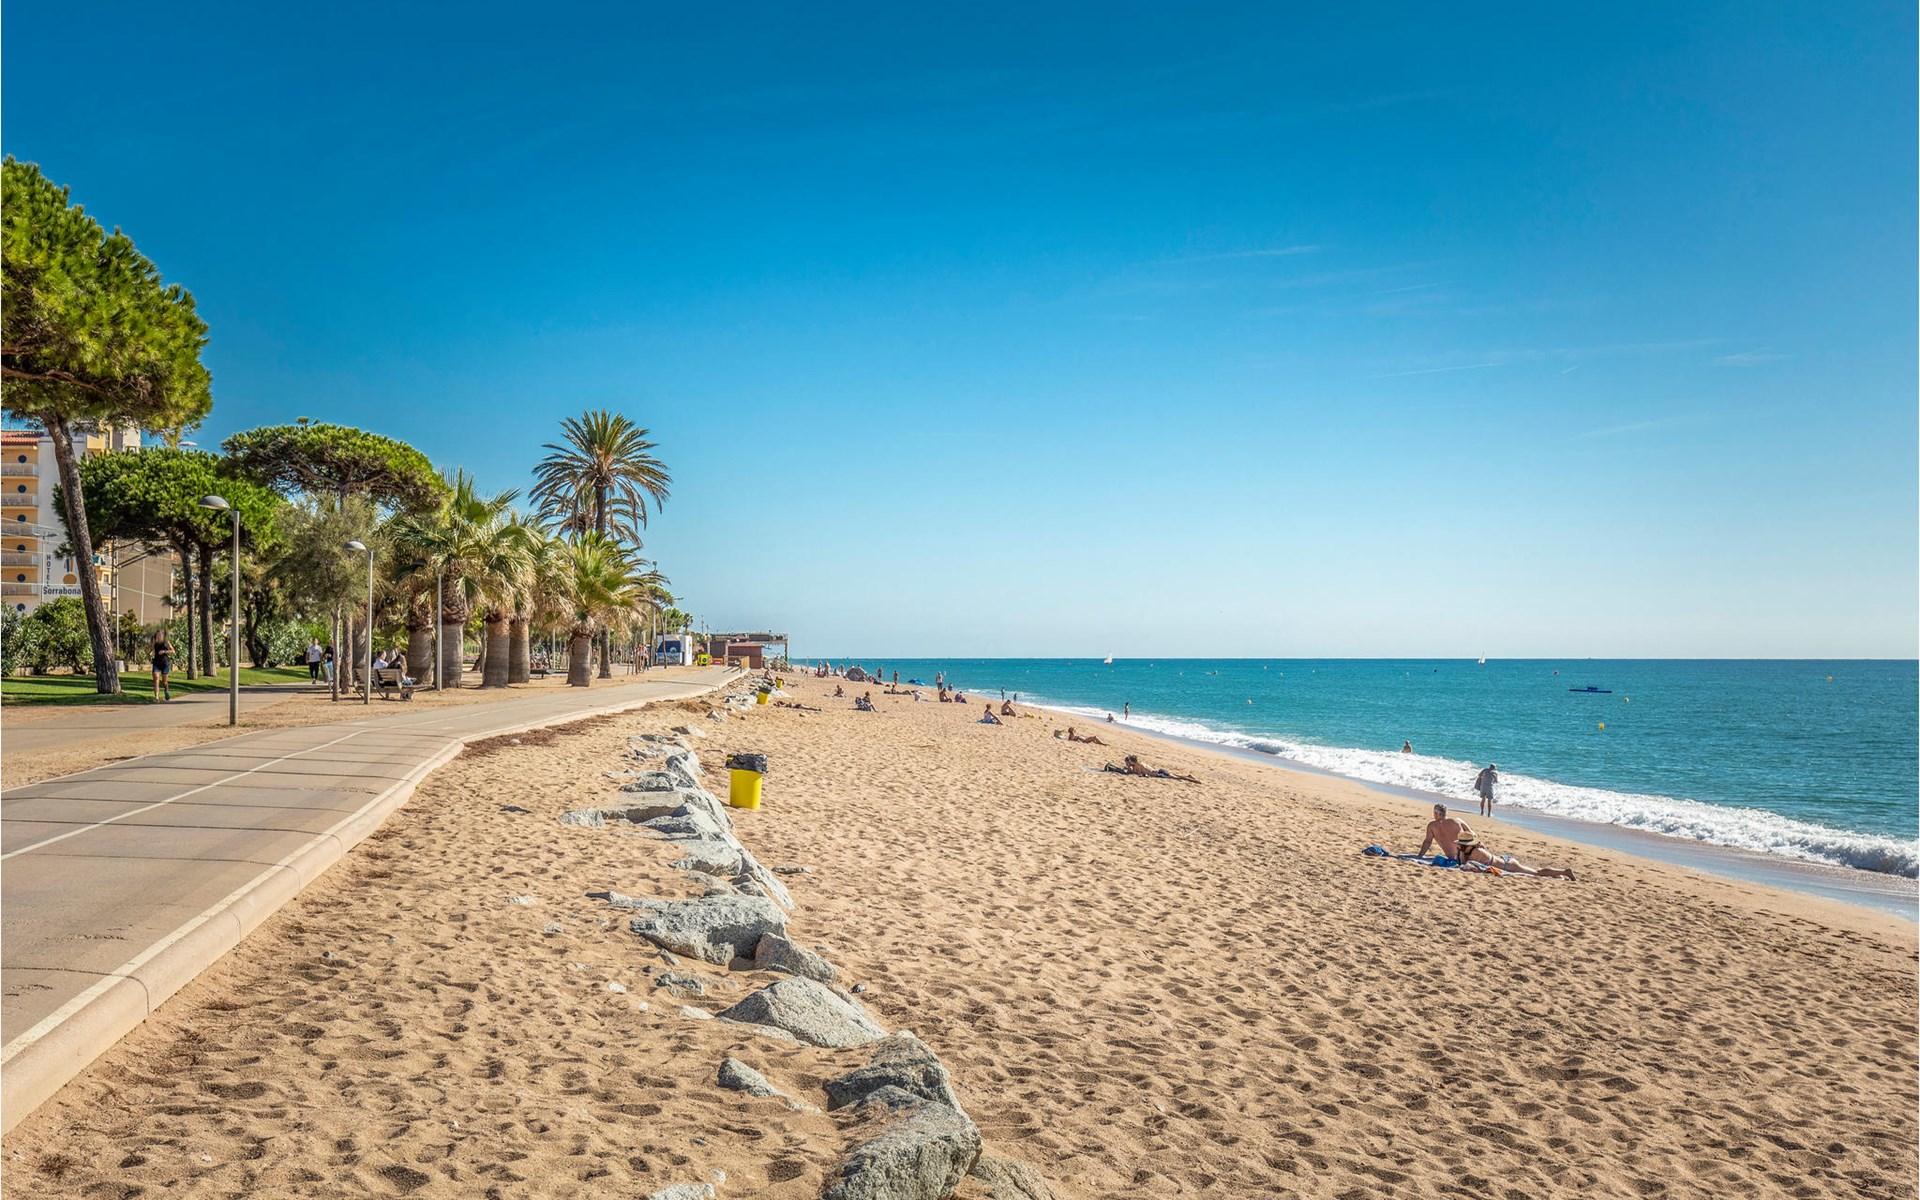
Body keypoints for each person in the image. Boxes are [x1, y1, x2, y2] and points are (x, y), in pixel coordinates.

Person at [1106, 754, 1200, 784]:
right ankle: (1189, 776)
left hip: (1160, 773)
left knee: (1177, 778)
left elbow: (1136, 773)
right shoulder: (1140, 763)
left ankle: (1193, 780)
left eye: (1130, 761)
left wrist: (1128, 768)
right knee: (1176, 776)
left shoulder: (1138, 766)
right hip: (1159, 771)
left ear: (1132, 761)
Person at [151, 630, 175, 701]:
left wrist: (164, 651)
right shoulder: (154, 643)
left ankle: (166, 690)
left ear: (163, 636)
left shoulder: (166, 643)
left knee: (164, 682)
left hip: (165, 663)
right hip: (156, 663)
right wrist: (150, 653)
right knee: (156, 678)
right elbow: (152, 650)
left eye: (160, 635)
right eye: (157, 635)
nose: (158, 636)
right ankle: (156, 697)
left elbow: (173, 651)